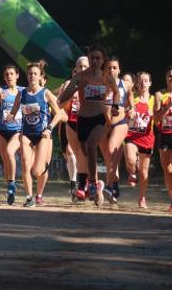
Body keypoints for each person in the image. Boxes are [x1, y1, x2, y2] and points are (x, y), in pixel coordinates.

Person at [58, 44, 119, 207]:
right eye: (92, 57)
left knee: (91, 146)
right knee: (83, 152)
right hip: (82, 119)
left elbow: (117, 91)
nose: (94, 61)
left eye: (97, 58)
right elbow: (66, 93)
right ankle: (92, 183)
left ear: (102, 60)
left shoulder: (106, 77)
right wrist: (64, 97)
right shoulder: (80, 77)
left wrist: (115, 106)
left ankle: (92, 182)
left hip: (100, 118)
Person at [7, 61, 65, 207]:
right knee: (26, 165)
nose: (32, 76)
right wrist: (10, 116)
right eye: (30, 73)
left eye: (35, 74)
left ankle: (44, 170)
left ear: (40, 77)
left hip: (42, 135)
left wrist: (49, 128)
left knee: (37, 171)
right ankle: (29, 198)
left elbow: (59, 114)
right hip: (26, 134)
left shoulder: (46, 93)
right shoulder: (22, 94)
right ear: (27, 76)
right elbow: (14, 111)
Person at [57, 56, 90, 201]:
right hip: (70, 122)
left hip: (88, 123)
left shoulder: (95, 84)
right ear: (74, 69)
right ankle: (77, 185)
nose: (82, 69)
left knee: (85, 155)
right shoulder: (68, 84)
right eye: (80, 66)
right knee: (72, 154)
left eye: (85, 66)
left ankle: (87, 184)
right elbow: (59, 106)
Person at [100, 57, 131, 203]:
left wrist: (133, 110)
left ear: (119, 70)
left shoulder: (126, 84)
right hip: (102, 124)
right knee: (108, 158)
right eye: (109, 67)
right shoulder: (100, 84)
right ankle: (114, 187)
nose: (111, 70)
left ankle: (108, 186)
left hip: (120, 124)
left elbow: (131, 100)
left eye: (114, 67)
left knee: (112, 149)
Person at [0, 65, 24, 205]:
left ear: (17, 75)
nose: (9, 76)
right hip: (1, 130)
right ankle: (10, 190)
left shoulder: (23, 91)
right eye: (6, 74)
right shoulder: (0, 90)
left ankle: (12, 184)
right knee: (6, 161)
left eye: (11, 74)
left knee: (10, 152)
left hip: (17, 130)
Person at [123, 72, 155, 209]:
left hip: (147, 139)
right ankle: (132, 170)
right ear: (137, 83)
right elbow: (123, 112)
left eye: (146, 80)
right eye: (140, 81)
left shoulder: (154, 100)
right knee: (130, 157)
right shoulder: (132, 98)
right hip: (132, 136)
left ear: (150, 83)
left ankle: (142, 198)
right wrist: (128, 112)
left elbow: (159, 117)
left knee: (144, 172)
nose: (143, 83)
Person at [154, 67, 172, 212]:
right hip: (164, 134)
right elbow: (156, 119)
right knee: (168, 170)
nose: (171, 78)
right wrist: (167, 108)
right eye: (169, 76)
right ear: (166, 78)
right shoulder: (160, 95)